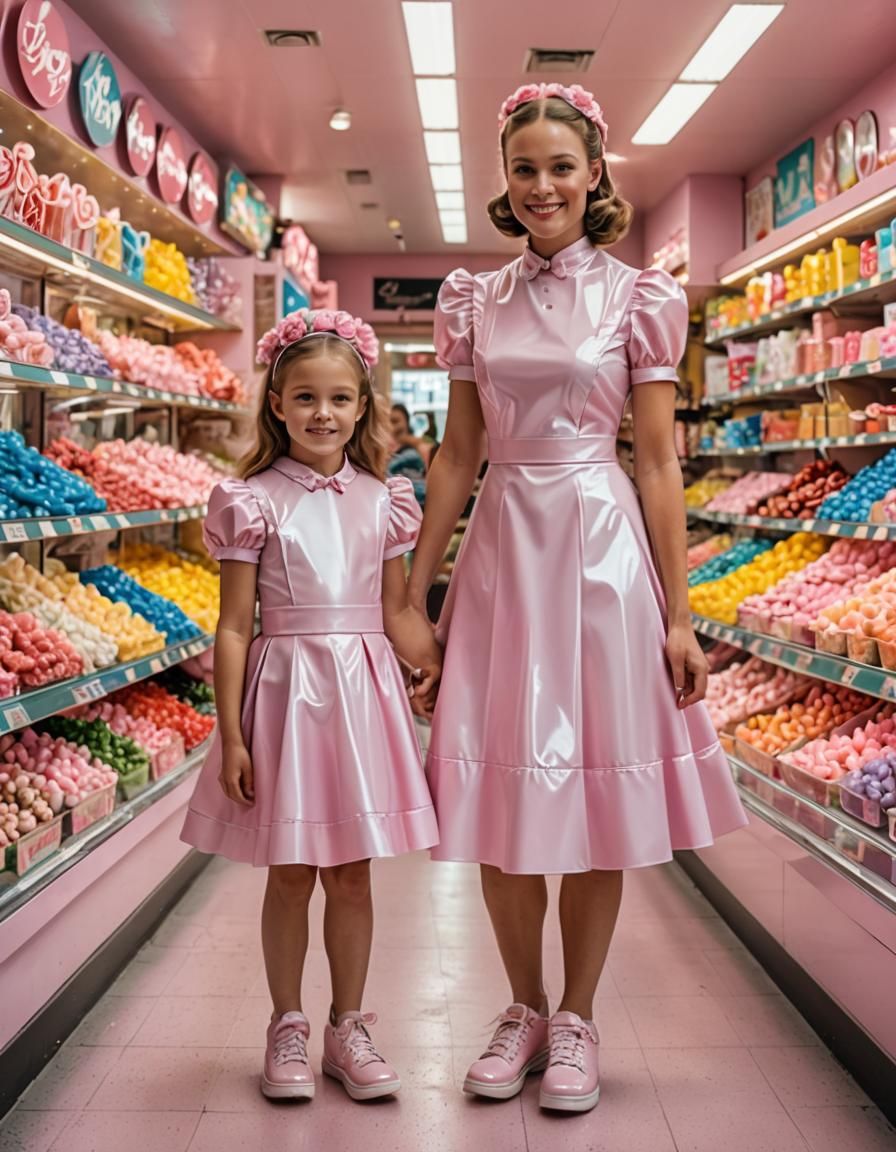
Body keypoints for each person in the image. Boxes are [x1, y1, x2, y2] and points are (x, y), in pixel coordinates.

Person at [406, 83, 747, 1114]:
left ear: (594, 173)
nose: (543, 184)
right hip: (504, 546)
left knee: (594, 791)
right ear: (504, 185)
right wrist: (412, 594)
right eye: (524, 169)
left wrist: (679, 615)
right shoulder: (472, 299)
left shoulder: (637, 297)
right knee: (502, 790)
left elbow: (653, 463)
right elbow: (458, 453)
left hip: (600, 553)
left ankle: (579, 1021)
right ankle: (521, 1009)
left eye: (561, 165)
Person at [181, 308, 441, 1104]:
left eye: (338, 398)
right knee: (291, 873)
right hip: (286, 693)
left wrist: (432, 663)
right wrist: (230, 734)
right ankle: (287, 1023)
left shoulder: (386, 500)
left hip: (362, 693)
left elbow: (396, 609)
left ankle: (348, 1026)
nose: (321, 414)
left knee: (354, 875)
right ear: (277, 405)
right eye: (304, 398)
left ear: (364, 406)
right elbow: (233, 626)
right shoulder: (250, 500)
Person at [388, 402, 428, 502]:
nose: (392, 427)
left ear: (407, 422)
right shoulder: (386, 446)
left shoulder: (418, 444)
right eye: (389, 422)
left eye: (396, 421)